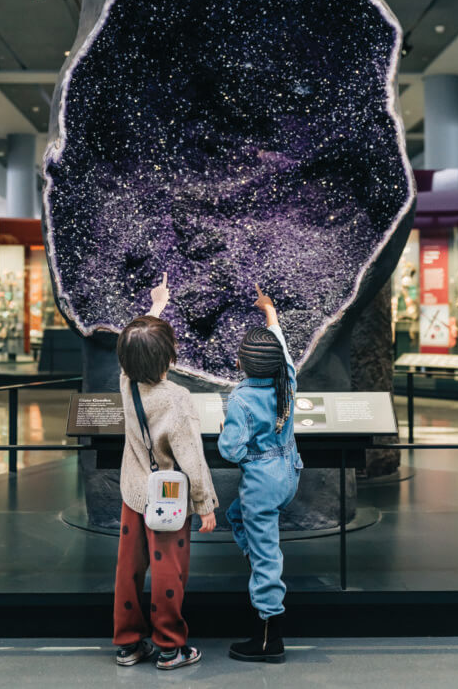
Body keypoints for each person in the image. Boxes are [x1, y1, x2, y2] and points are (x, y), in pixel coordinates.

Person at [113, 273, 218, 670]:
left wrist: (156, 305)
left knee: (129, 570)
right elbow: (192, 458)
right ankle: (170, 647)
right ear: (169, 358)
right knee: (168, 573)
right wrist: (204, 504)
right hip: (169, 500)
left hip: (132, 495)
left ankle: (126, 643)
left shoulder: (126, 382)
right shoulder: (177, 399)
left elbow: (133, 347)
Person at [218, 283, 302, 663]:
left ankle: (270, 635)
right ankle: (257, 561)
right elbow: (282, 349)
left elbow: (230, 449)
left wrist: (231, 435)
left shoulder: (240, 398)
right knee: (236, 515)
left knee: (267, 554)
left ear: (241, 364)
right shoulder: (287, 379)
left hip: (262, 483)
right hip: (289, 473)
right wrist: (270, 313)